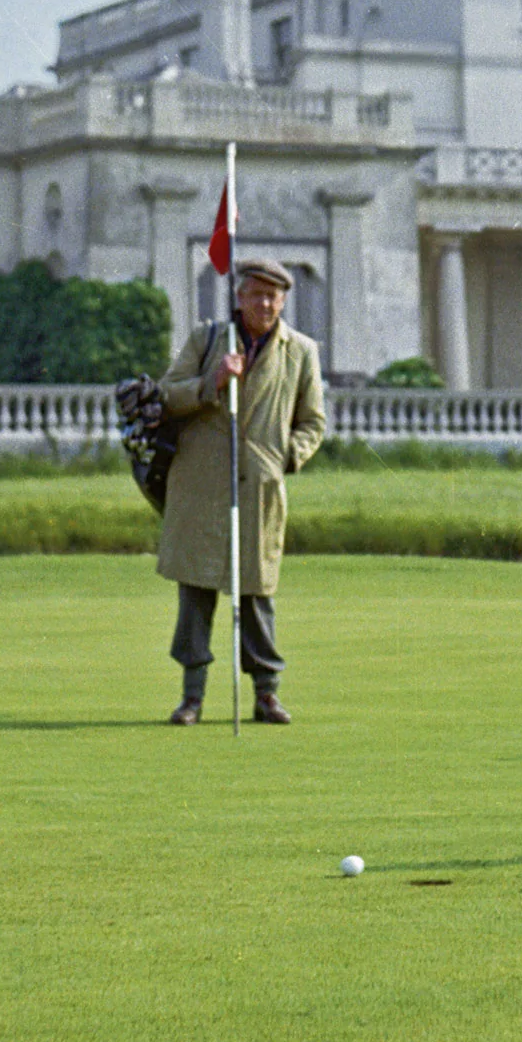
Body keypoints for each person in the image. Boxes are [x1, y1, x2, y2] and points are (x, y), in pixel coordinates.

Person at [157, 258, 326, 725]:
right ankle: (192, 697)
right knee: (196, 592)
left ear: (283, 301)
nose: (265, 304)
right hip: (202, 483)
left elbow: (313, 422)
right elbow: (168, 395)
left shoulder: (300, 351)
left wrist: (286, 456)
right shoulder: (208, 339)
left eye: (273, 296)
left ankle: (266, 693)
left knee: (256, 592)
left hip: (259, 486)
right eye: (257, 294)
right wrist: (211, 382)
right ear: (240, 296)